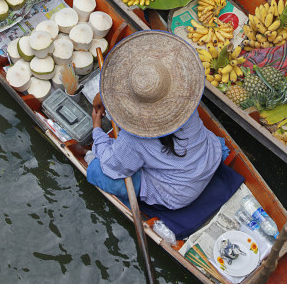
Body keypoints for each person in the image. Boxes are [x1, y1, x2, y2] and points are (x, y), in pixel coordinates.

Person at [86, 32, 241, 213]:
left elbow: (111, 164)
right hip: (208, 159)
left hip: (179, 193)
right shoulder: (184, 100)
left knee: (96, 169)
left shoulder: (133, 139)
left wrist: (97, 129)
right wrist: (102, 98)